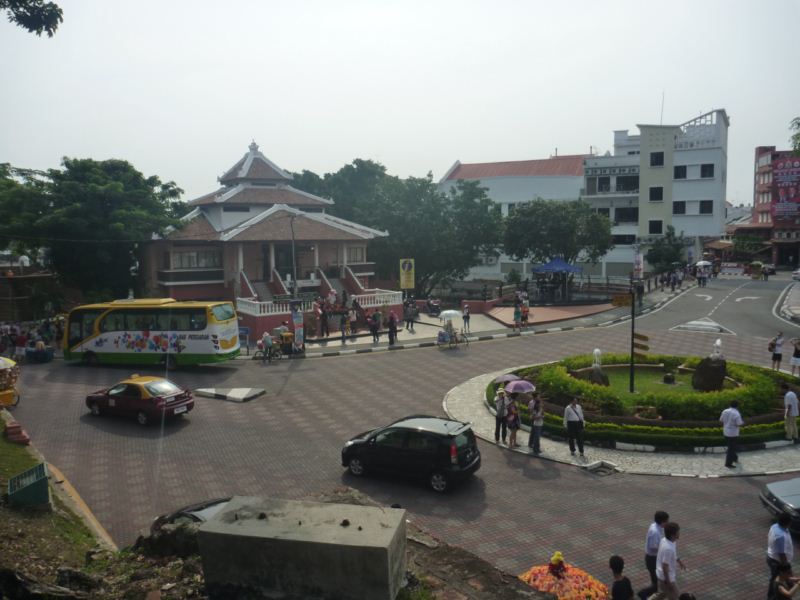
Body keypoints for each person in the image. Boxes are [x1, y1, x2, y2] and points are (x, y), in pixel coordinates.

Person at [638, 511, 670, 600]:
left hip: (652, 558)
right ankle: (643, 593)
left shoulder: (655, 526)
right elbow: (653, 546)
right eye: (667, 521)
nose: (667, 523)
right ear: (662, 522)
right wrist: (663, 547)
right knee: (656, 583)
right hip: (652, 559)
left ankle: (644, 594)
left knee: (655, 582)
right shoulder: (655, 531)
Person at [653, 522, 685, 600]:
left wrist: (679, 561)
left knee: (663, 593)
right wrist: (669, 582)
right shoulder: (668, 548)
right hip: (666, 579)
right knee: (676, 596)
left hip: (662, 577)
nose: (679, 533)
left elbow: (672, 555)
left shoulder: (666, 540)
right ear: (672, 535)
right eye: (678, 532)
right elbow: (665, 566)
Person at [767, 513, 795, 597]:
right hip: (778, 562)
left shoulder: (775, 526)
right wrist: (786, 565)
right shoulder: (781, 536)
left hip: (772, 557)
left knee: (777, 578)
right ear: (788, 523)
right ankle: (773, 596)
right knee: (777, 580)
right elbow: (781, 553)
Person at [719, 399, 744, 469]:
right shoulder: (736, 414)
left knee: (731, 447)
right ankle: (728, 463)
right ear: (737, 406)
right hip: (733, 433)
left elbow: (721, 420)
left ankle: (735, 458)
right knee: (731, 448)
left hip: (725, 431)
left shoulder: (725, 411)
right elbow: (739, 424)